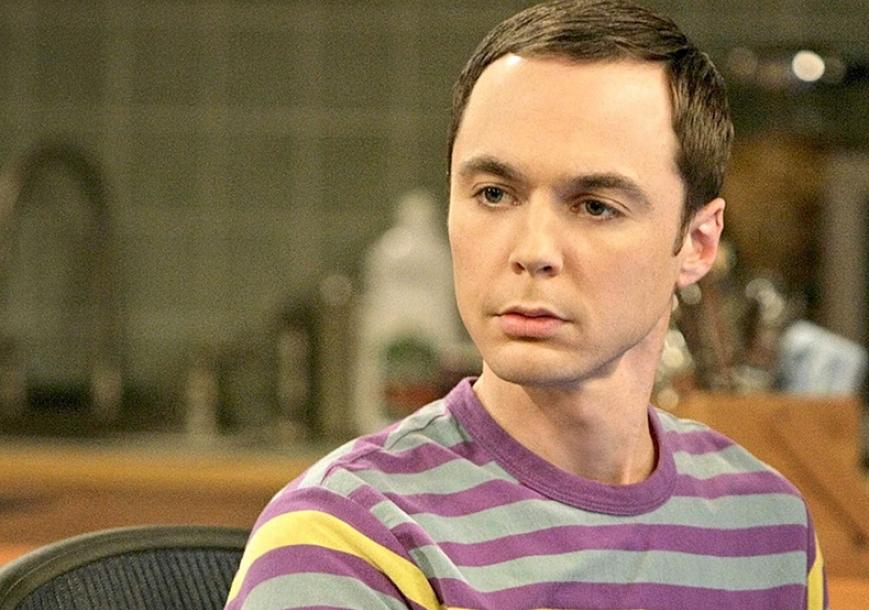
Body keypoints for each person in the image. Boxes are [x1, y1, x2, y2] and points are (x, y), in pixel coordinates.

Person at [226, 1, 826, 608]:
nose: (533, 251)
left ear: (697, 244)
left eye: (595, 206)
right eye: (493, 194)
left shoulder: (769, 531)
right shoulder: (348, 539)